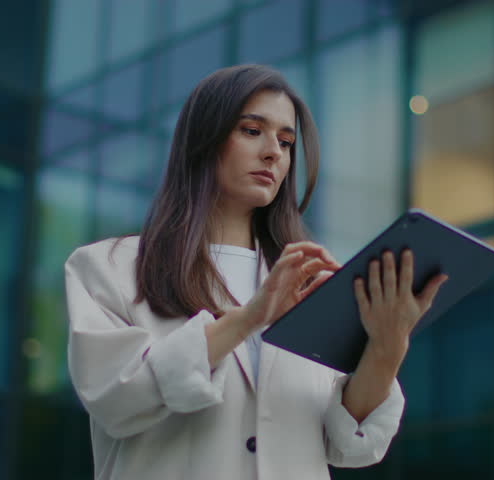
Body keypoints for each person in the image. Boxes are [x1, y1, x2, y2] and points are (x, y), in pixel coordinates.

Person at [64, 64, 448, 480]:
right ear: (204, 139)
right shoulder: (110, 267)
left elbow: (349, 443)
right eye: (252, 131)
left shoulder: (307, 280)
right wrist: (250, 318)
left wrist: (387, 348)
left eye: (286, 142)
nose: (273, 153)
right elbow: (116, 398)